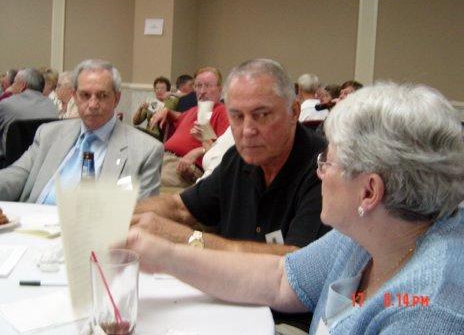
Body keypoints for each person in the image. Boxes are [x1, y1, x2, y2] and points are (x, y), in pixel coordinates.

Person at [123, 82, 464, 334]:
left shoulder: (427, 312)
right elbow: (280, 281)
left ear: (369, 191)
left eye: (327, 163)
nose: (319, 172)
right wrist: (164, 254)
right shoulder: (371, 234)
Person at [133, 59, 327, 255]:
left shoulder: (324, 168)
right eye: (237, 116)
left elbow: (295, 262)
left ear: (294, 112)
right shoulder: (237, 159)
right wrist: (120, 217)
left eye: (261, 115)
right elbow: (180, 208)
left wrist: (188, 239)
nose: (247, 130)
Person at [0, 59, 163, 203]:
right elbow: (19, 174)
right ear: (74, 96)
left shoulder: (145, 151)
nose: (93, 104)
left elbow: (141, 214)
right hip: (33, 228)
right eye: (85, 95)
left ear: (116, 98)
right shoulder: (48, 134)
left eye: (102, 95)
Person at [151, 67, 229, 187]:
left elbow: (225, 151)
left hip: (182, 166)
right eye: (198, 86)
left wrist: (198, 151)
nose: (202, 91)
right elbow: (178, 117)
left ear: (220, 89)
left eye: (208, 86)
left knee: (144, 184)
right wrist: (166, 111)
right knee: (125, 178)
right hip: (162, 158)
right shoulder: (193, 111)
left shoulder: (222, 112)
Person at [0, 68, 58, 151]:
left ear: (22, 86)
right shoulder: (52, 105)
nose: (11, 86)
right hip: (42, 158)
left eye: (14, 83)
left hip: (12, 160)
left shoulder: (8, 104)